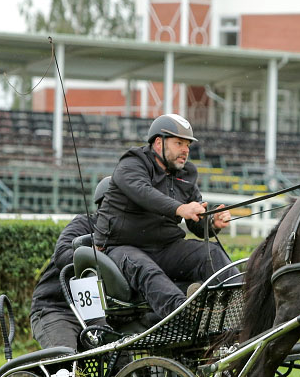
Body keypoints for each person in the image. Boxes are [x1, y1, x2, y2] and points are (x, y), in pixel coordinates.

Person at [92, 113, 235, 319]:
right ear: (159, 143)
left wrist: (212, 222)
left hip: (166, 248)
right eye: (179, 143)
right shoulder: (132, 164)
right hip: (122, 247)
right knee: (146, 269)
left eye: (188, 145)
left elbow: (196, 224)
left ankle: (237, 310)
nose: (185, 150)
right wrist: (180, 208)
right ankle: (185, 316)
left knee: (210, 252)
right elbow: (144, 193)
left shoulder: (187, 174)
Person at [30, 177, 111, 351]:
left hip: (94, 313)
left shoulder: (127, 235)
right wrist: (93, 252)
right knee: (65, 358)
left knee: (119, 353)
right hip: (55, 309)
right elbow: (62, 255)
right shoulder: (83, 224)